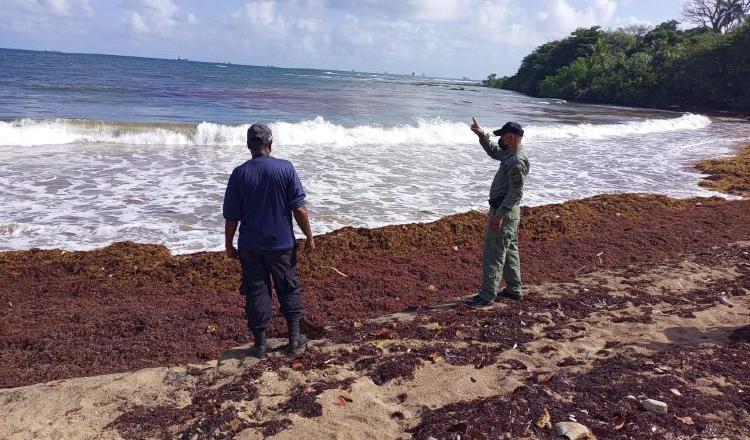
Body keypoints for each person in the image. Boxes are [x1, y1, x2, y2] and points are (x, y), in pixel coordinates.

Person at [223, 123, 315, 358]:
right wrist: (309, 236)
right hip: (281, 244)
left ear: (248, 146)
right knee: (288, 286)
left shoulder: (239, 174)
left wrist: (228, 244)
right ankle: (294, 338)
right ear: (270, 144)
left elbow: (232, 217)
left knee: (256, 291)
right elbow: (300, 209)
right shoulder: (285, 169)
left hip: (250, 245)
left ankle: (261, 345)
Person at [465, 119, 529, 307]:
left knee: (493, 252)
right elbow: (495, 152)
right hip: (508, 212)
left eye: (503, 136)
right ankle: (513, 289)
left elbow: (516, 192)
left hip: (504, 212)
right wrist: (482, 135)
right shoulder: (510, 153)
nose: (500, 139)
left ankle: (487, 295)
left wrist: (499, 215)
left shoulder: (516, 160)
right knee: (509, 250)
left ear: (512, 137)